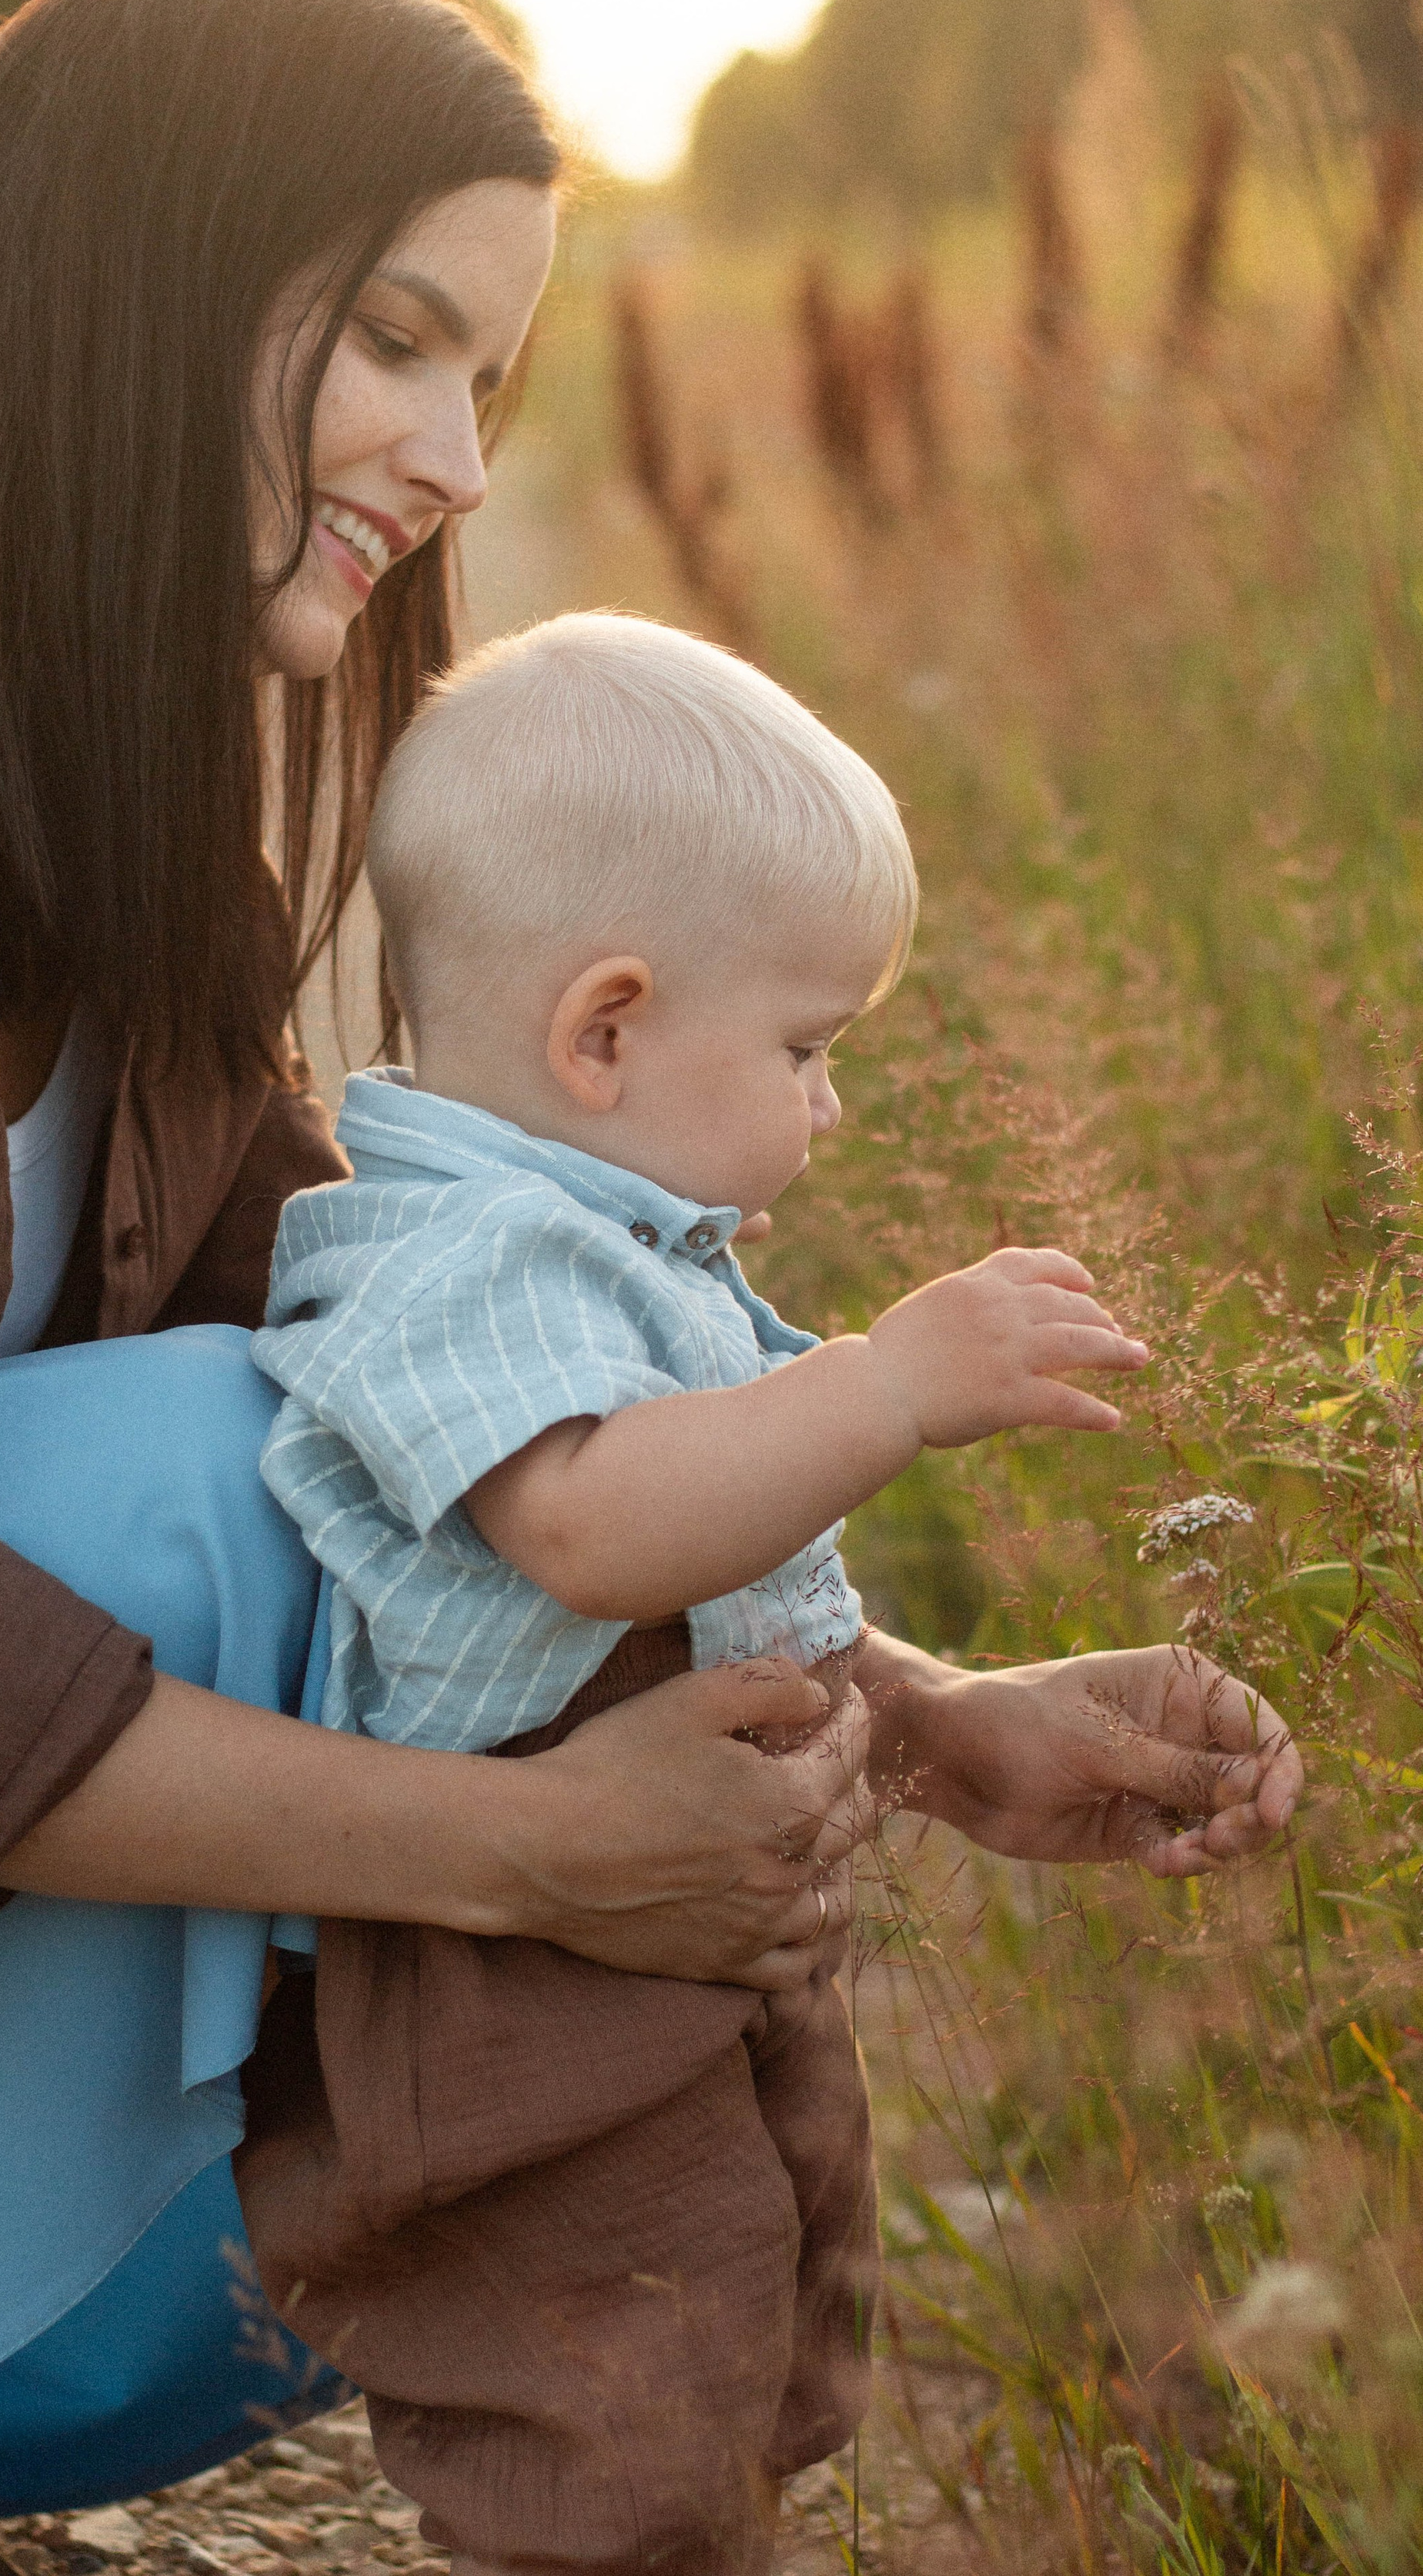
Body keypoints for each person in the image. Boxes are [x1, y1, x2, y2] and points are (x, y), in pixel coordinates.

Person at [0, 0, 1296, 2576]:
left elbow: (459, 1418)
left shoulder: (105, 770)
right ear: (147, 263)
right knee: (202, 1477)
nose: (448, 452)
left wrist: (919, 1708)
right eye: (399, 340)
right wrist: (522, 1853)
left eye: (496, 383)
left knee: (281, 1437)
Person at [235, 615, 1302, 2576]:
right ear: (606, 1030)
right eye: (807, 1048)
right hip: (504, 1983)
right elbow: (589, 1530)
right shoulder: (452, 1254)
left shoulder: (613, 1240)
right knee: (599, 2419)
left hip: (650, 1938)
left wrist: (948, 1714)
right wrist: (879, 1385)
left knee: (741, 2323)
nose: (831, 1108)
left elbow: (720, 1595)